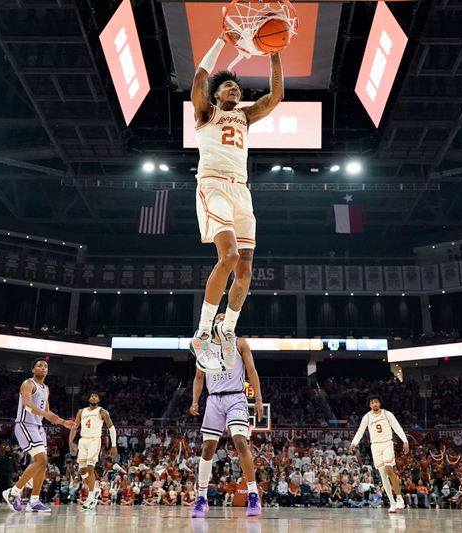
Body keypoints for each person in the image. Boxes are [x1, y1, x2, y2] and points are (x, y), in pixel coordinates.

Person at [188, 31, 284, 373]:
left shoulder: (244, 116)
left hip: (241, 191)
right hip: (213, 186)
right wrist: (221, 42)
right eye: (230, 88)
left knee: (244, 272)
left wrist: (273, 53)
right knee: (227, 256)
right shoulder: (205, 114)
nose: (236, 91)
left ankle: (226, 331)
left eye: (238, 89)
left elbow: (275, 96)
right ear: (216, 94)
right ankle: (201, 333)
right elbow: (200, 77)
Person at [189, 314, 263, 518]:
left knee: (240, 442)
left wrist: (258, 399)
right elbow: (198, 377)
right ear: (213, 323)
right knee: (207, 447)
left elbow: (251, 370)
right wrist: (195, 401)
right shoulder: (204, 347)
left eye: (226, 316)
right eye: (219, 317)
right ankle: (201, 498)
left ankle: (253, 495)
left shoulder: (240, 343)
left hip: (236, 397)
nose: (222, 318)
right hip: (214, 399)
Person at [2, 358, 76, 513]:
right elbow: (27, 404)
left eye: (46, 366)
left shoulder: (46, 388)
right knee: (41, 460)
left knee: (43, 463)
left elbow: (48, 413)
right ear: (33, 370)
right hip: (25, 424)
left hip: (38, 426)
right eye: (39, 366)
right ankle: (13, 492)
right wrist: (44, 414)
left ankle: (34, 500)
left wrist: (63, 422)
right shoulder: (28, 383)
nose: (43, 368)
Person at [349, 395, 409, 513]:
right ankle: (392, 502)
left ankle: (399, 498)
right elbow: (360, 431)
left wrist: (405, 441)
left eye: (376, 402)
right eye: (372, 403)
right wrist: (353, 443)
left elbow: (397, 428)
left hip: (387, 443)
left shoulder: (387, 414)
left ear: (380, 403)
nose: (374, 404)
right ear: (370, 405)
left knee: (388, 469)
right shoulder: (367, 417)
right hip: (375, 446)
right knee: (383, 476)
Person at [68, 392, 123, 511]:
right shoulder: (81, 412)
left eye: (96, 396)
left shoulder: (102, 411)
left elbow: (111, 428)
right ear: (88, 398)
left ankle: (91, 496)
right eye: (92, 396)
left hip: (94, 440)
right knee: (82, 471)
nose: (94, 397)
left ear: (98, 400)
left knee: (90, 468)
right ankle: (96, 490)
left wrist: (113, 445)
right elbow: (74, 427)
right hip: (83, 441)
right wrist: (70, 441)